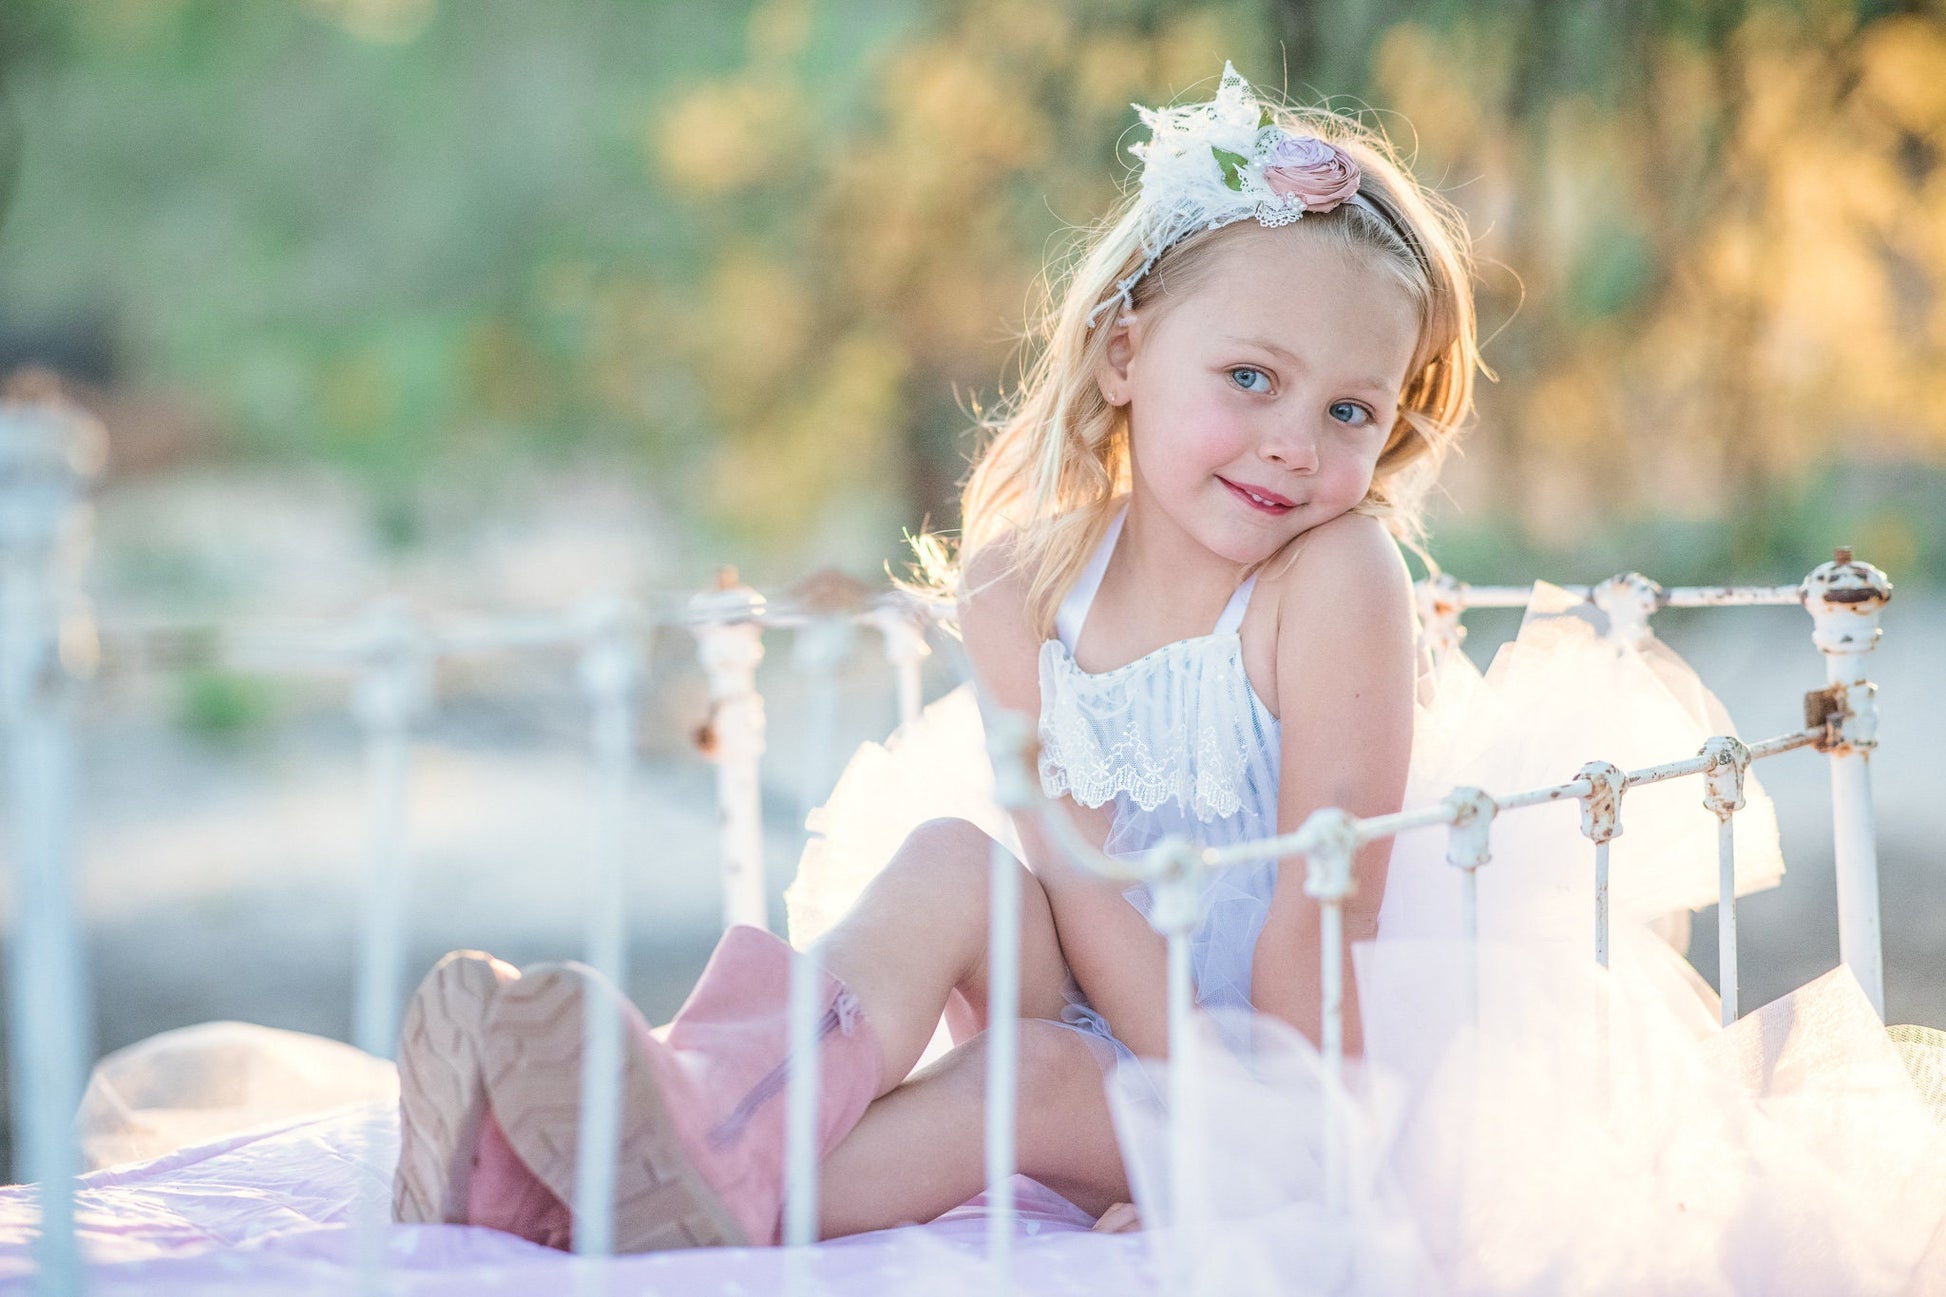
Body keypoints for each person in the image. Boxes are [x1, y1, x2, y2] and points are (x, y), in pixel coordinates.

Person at [390, 59, 1480, 1250]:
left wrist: (1240, 1157)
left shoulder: (1331, 581)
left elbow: (1321, 920)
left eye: (1348, 412)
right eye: (1250, 378)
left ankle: (601, 1196)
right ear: (1124, 356)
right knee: (954, 861)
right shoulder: (1022, 582)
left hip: (1284, 1083)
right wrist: (1134, 1064)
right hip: (1112, 1009)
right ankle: (687, 1112)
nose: (1291, 444)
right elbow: (1072, 876)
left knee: (1029, 1080)